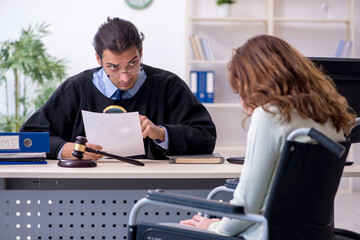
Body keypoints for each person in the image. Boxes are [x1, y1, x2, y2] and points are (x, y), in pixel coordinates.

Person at [180, 34, 356, 239]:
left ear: (252, 81)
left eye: (240, 88)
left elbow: (247, 204)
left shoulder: (270, 115)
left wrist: (213, 227)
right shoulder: (330, 115)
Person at [20, 17, 216, 160]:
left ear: (141, 52)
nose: (124, 77)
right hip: (84, 189)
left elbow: (206, 136)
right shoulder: (76, 88)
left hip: (153, 186)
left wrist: (161, 133)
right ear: (98, 59)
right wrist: (65, 148)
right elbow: (28, 137)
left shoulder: (168, 86)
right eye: (113, 67)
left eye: (132, 64)